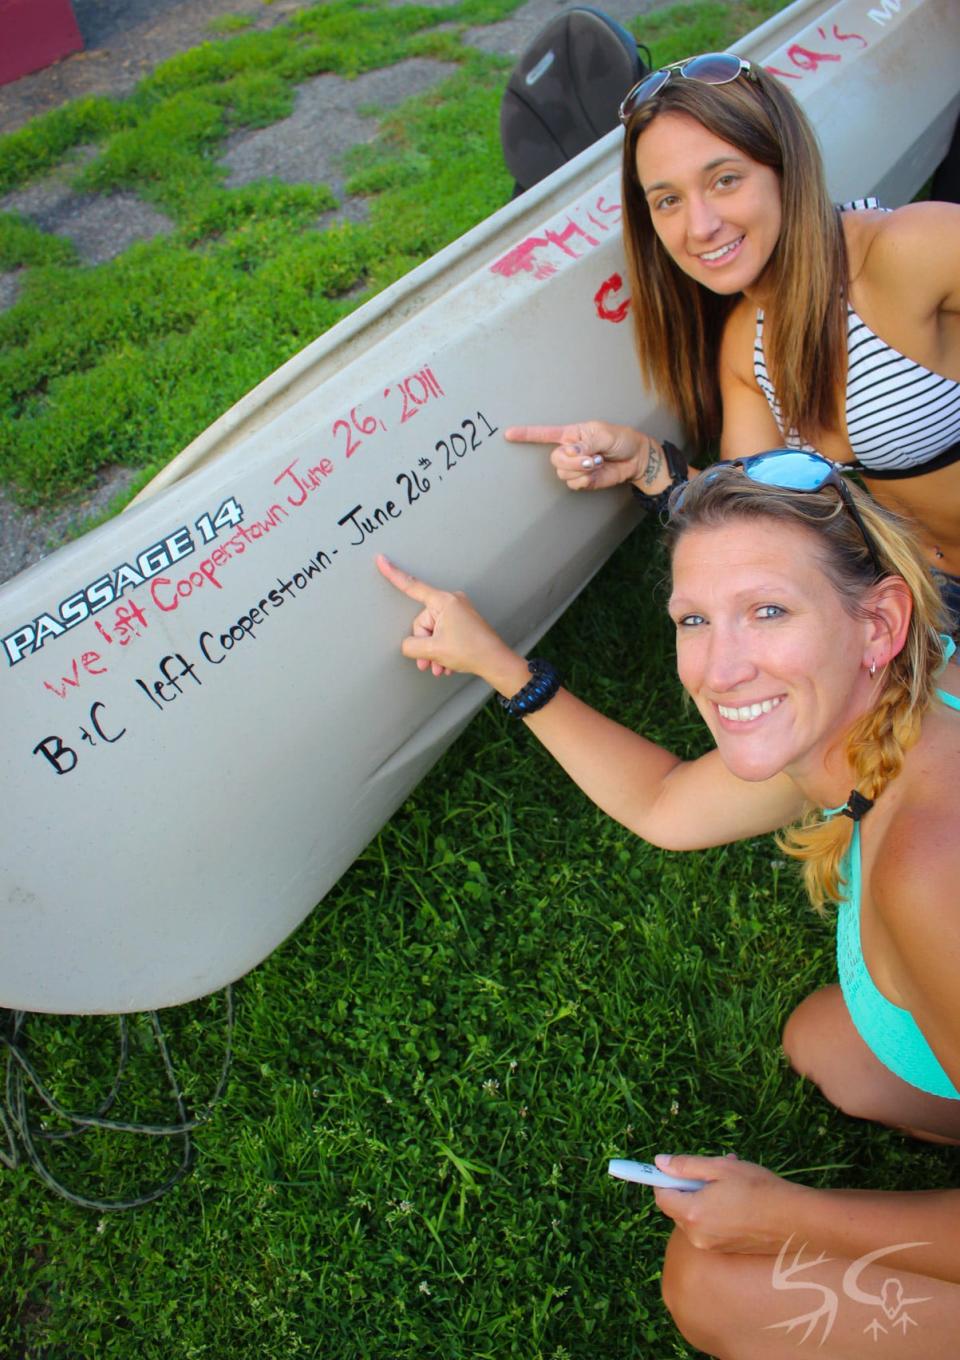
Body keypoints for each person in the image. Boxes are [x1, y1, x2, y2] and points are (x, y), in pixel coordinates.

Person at [376, 449, 960, 1357]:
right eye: (695, 618)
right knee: (831, 1042)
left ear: (876, 622)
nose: (721, 670)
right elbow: (665, 805)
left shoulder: (932, 869)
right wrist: (502, 668)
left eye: (768, 611)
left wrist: (791, 1217)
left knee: (714, 1286)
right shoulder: (908, 692)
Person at [504, 53, 960, 621]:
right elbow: (757, 516)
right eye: (667, 200)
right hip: (926, 593)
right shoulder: (748, 345)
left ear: (784, 168)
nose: (699, 226)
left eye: (725, 180)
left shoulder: (910, 251)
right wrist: (643, 462)